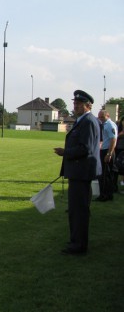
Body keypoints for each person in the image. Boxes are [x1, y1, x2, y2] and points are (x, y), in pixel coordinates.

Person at [54, 90, 101, 255]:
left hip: (81, 173)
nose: (75, 106)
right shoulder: (83, 120)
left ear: (88, 106)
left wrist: (65, 152)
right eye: (74, 103)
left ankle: (78, 246)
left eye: (79, 104)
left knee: (79, 211)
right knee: (76, 210)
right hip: (79, 172)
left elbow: (85, 148)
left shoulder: (88, 121)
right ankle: (77, 241)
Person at [95, 110, 117, 201]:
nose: (100, 119)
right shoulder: (105, 124)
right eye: (99, 117)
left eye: (102, 117)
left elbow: (113, 139)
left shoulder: (110, 125)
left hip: (107, 151)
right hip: (104, 150)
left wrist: (109, 153)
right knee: (104, 174)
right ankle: (106, 194)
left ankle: (105, 195)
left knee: (105, 175)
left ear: (107, 116)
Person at [114, 116, 124, 190]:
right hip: (118, 148)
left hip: (121, 149)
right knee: (118, 167)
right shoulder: (118, 125)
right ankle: (117, 183)